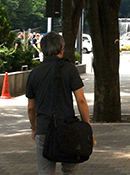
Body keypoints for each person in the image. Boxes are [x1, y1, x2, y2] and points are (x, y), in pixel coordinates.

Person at [26, 32, 93, 175]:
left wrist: (34, 127)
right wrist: (87, 127)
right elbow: (81, 100)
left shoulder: (34, 73)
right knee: (70, 170)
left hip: (44, 128)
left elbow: (31, 107)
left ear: (43, 49)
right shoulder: (69, 69)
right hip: (67, 128)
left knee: (45, 171)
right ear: (61, 49)